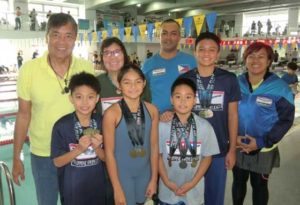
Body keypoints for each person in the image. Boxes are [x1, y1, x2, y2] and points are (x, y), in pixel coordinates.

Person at [12, 13, 94, 205]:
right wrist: (16, 156)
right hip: (43, 155)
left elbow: (93, 110)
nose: (61, 42)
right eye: (55, 35)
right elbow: (24, 115)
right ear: (46, 37)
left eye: (68, 35)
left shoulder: (86, 67)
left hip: (78, 150)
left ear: (75, 39)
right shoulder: (29, 70)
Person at [180, 32, 241, 205]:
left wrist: (232, 150)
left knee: (215, 197)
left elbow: (233, 115)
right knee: (189, 195)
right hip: (191, 149)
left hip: (219, 149)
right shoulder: (185, 78)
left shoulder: (229, 79)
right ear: (195, 52)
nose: (206, 53)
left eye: (211, 49)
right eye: (201, 49)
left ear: (218, 52)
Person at [232, 42, 295, 205]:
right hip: (238, 144)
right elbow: (227, 113)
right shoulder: (236, 83)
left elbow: (286, 120)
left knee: (259, 185)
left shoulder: (279, 88)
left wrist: (261, 142)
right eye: (251, 56)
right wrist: (232, 138)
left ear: (269, 61)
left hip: (264, 147)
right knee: (238, 183)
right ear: (245, 59)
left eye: (261, 56)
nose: (255, 60)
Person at [103, 64, 159, 205]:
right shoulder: (112, 114)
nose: (133, 86)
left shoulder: (152, 110)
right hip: (122, 176)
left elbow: (154, 146)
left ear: (144, 83)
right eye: (127, 82)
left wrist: (154, 179)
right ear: (119, 85)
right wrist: (116, 188)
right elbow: (109, 153)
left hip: (145, 173)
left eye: (138, 81)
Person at [158, 78, 219, 205]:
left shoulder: (205, 127)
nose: (183, 101)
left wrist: (193, 182)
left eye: (188, 97)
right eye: (178, 96)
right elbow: (157, 156)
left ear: (195, 100)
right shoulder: (161, 126)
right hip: (167, 190)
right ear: (171, 99)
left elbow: (207, 157)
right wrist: (166, 181)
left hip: (194, 191)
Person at [51, 72, 105, 205]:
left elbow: (107, 158)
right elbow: (57, 162)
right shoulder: (62, 126)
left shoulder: (102, 122)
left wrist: (97, 147)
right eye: (79, 97)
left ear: (97, 98)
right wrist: (79, 149)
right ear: (71, 99)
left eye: (90, 97)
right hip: (72, 191)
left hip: (97, 188)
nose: (85, 102)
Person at [142, 18, 197, 115]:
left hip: (185, 119)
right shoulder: (148, 65)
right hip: (157, 121)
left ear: (179, 37)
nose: (168, 38)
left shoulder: (191, 62)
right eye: (164, 33)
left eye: (173, 34)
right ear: (159, 36)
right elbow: (141, 96)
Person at [97, 37, 151, 114]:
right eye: (107, 53)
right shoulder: (97, 83)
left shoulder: (139, 80)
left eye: (117, 52)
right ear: (102, 58)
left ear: (124, 54)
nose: (112, 57)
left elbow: (148, 110)